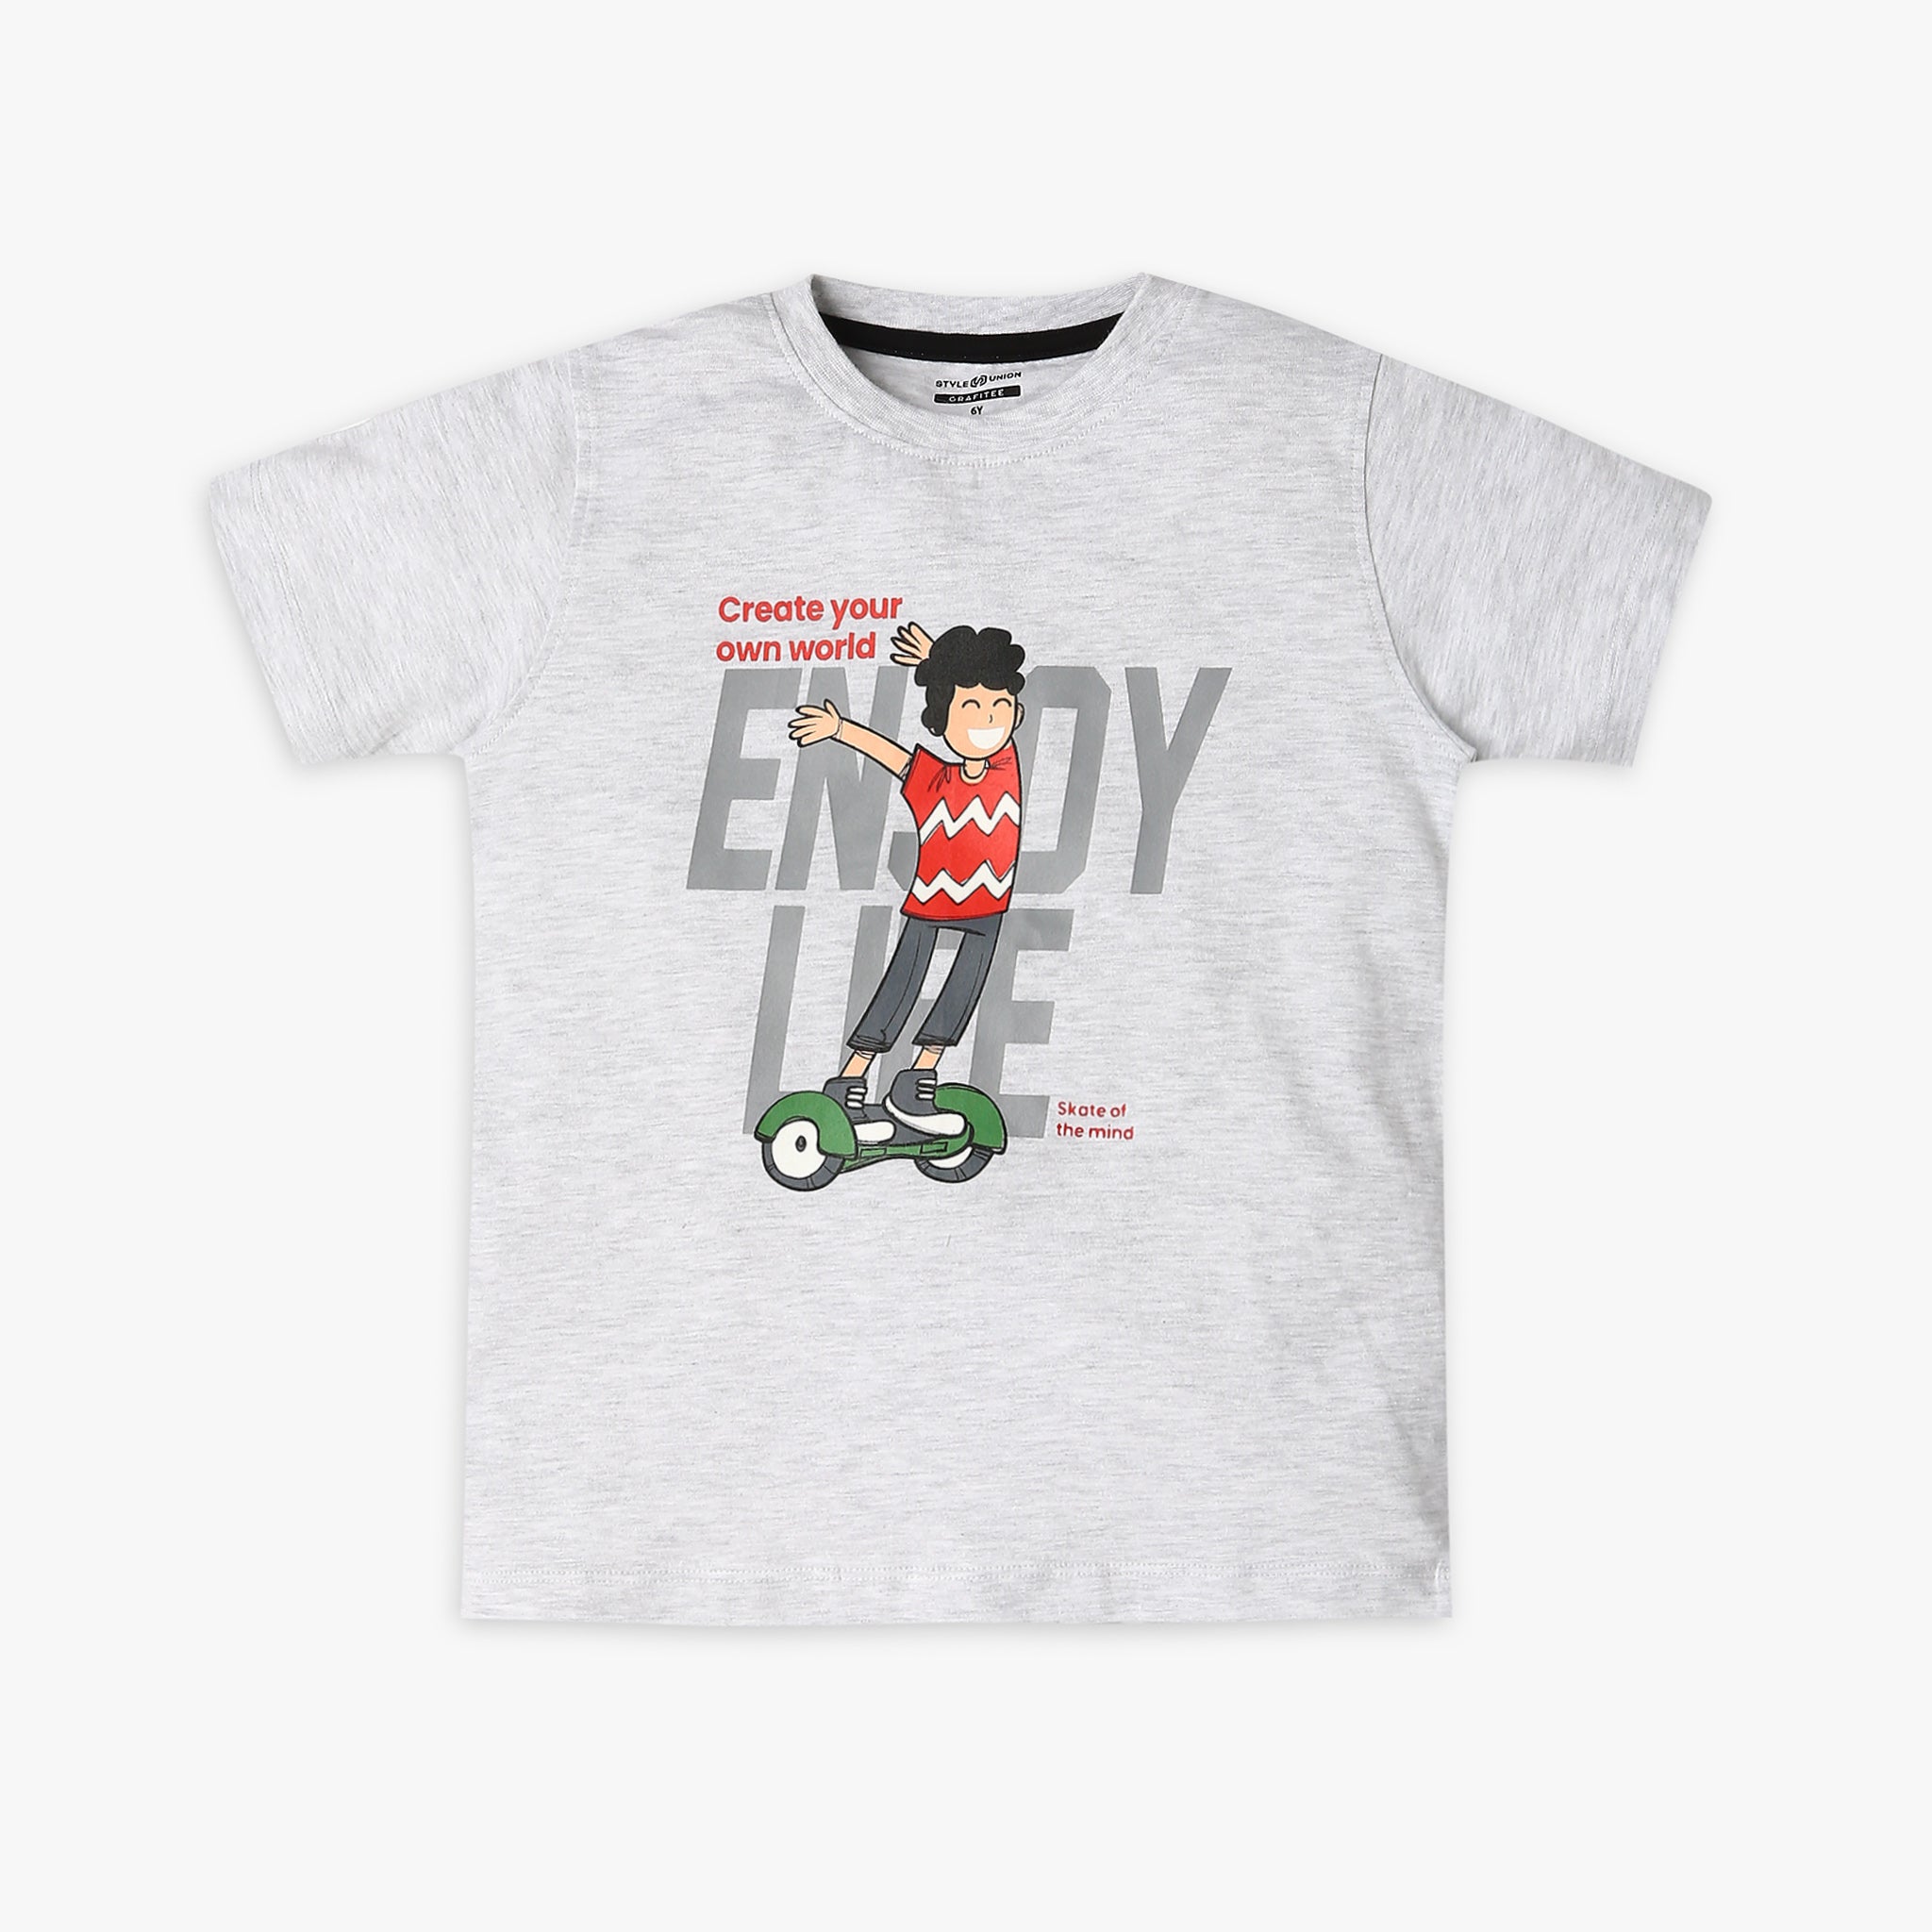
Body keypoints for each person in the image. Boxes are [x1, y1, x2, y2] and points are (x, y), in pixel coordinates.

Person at [788, 619, 1025, 1135]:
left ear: (1016, 714)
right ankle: (850, 1081)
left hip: (989, 907)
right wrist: (840, 730)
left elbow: (978, 686)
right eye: (971, 707)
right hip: (932, 903)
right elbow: (892, 756)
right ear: (942, 721)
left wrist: (937, 659)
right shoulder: (932, 779)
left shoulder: (1006, 766)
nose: (988, 718)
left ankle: (915, 1082)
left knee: (961, 991)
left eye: (1000, 707)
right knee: (903, 984)